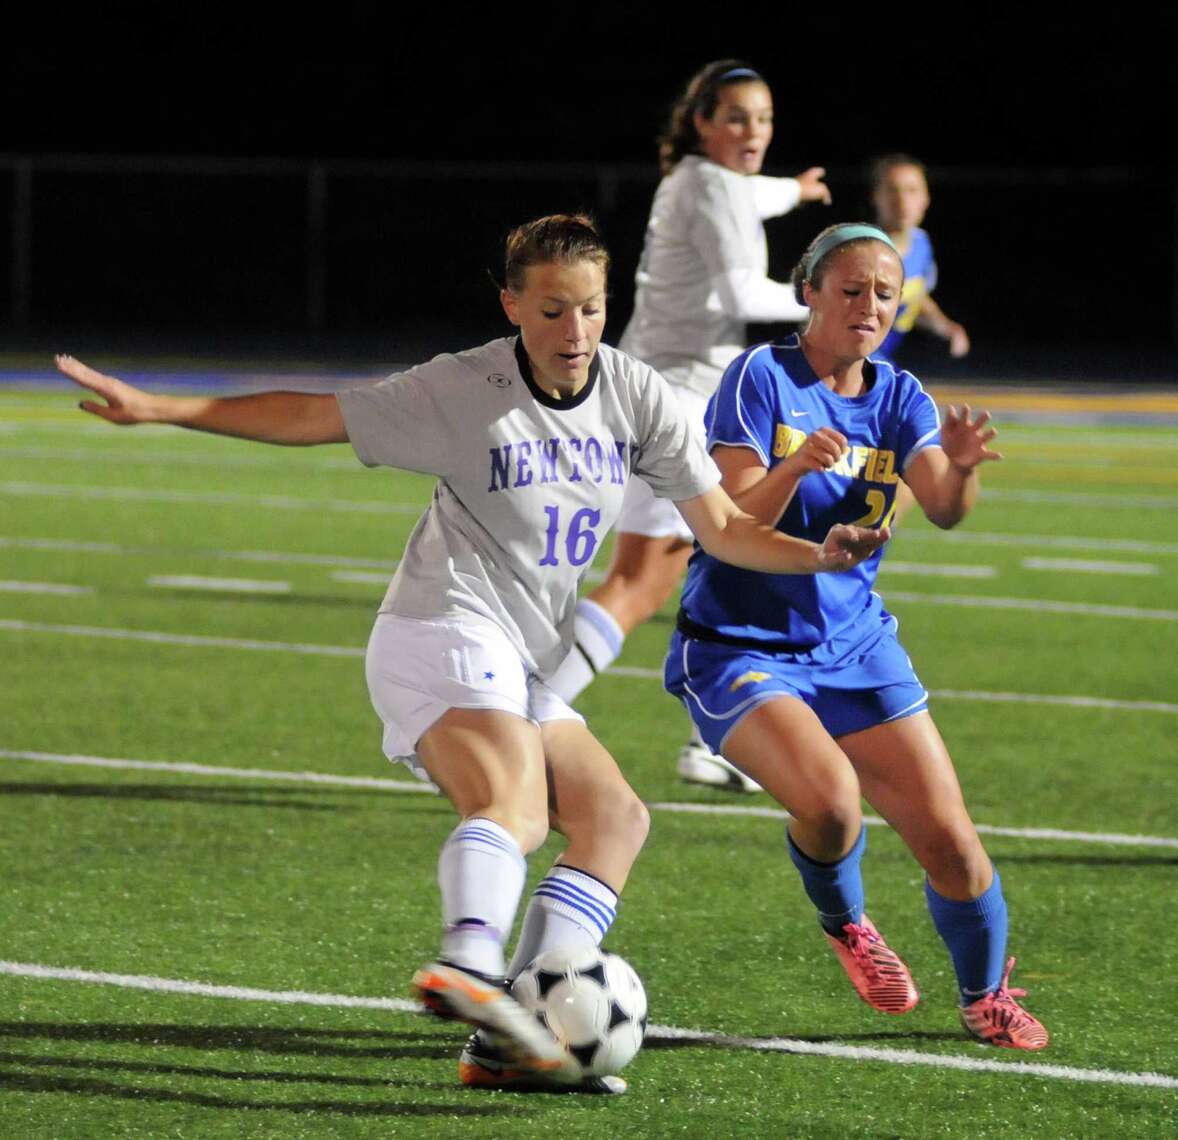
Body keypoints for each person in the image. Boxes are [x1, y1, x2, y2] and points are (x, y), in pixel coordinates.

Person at [56, 214, 892, 1091]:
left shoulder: (635, 393)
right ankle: (469, 960)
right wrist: (162, 408)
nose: (575, 331)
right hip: (438, 632)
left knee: (615, 818)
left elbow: (721, 527)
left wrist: (817, 554)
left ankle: (508, 1039)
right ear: (511, 306)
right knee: (513, 808)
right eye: (552, 310)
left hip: (520, 658)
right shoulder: (464, 389)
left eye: (591, 309)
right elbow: (315, 414)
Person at [663, 222, 1049, 1050]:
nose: (870, 306)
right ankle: (848, 923)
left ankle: (984, 997)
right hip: (739, 643)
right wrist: (796, 467)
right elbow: (730, 521)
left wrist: (962, 467)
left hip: (853, 643)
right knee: (833, 805)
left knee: (953, 844)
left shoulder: (900, 395)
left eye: (885, 293)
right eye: (851, 289)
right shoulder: (761, 377)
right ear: (809, 292)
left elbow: (943, 509)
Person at [545, 60, 832, 793]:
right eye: (736, 117)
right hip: (675, 404)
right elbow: (740, 292)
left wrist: (795, 191)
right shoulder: (709, 185)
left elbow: (752, 195)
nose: (754, 131)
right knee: (647, 581)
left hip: (665, 397)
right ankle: (521, 718)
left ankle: (716, 740)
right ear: (702, 121)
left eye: (764, 118)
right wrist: (829, 305)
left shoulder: (706, 181)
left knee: (718, 572)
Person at [871, 153, 970, 364]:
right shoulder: (860, 251)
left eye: (912, 190)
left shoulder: (921, 244)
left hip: (881, 360)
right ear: (875, 196)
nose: (902, 200)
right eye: (892, 190)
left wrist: (946, 327)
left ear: (926, 198)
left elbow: (915, 297)